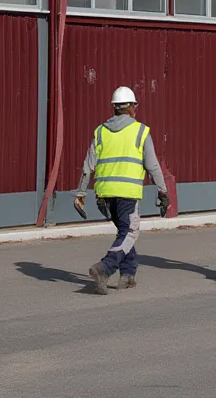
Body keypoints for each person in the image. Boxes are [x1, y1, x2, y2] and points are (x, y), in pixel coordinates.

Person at [75, 86, 169, 294]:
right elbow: (152, 166)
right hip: (127, 193)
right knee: (130, 232)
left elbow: (87, 166)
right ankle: (105, 267)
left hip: (105, 194)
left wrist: (80, 194)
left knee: (123, 232)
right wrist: (163, 191)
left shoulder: (100, 132)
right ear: (132, 107)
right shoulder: (140, 131)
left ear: (115, 107)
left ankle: (128, 274)